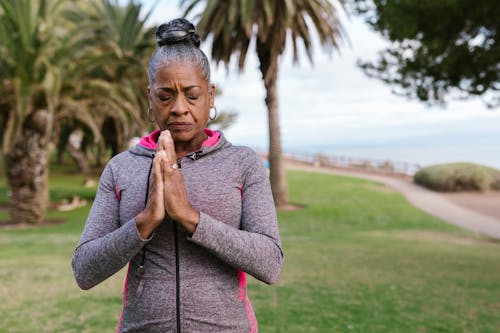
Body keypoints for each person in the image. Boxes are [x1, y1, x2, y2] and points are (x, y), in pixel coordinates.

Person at [72, 18, 283, 333]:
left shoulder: (242, 163)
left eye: (192, 95)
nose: (179, 108)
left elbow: (270, 263)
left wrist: (189, 216)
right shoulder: (121, 168)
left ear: (210, 96)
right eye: (165, 95)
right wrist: (144, 223)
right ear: (150, 97)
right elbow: (84, 270)